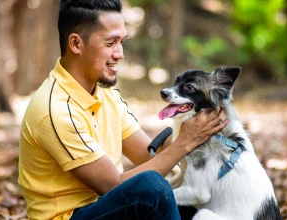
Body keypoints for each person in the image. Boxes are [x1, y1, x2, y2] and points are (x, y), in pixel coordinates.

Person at [18, 0, 229, 219]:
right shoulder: (55, 108)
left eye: (122, 42)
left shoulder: (104, 93)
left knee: (198, 198)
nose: (120, 54)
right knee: (151, 188)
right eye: (110, 43)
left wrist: (198, 133)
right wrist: (185, 143)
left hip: (107, 208)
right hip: (72, 216)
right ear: (76, 44)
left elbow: (147, 155)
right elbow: (113, 186)